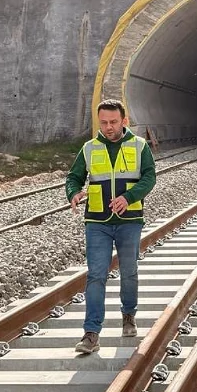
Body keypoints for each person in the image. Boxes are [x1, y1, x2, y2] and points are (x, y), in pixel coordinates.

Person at [64, 99, 156, 354]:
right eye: (103, 122)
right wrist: (73, 192)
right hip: (97, 221)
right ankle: (91, 333)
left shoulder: (139, 146)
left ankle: (128, 314)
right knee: (95, 274)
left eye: (113, 122)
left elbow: (150, 177)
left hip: (129, 221)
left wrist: (129, 197)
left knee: (129, 272)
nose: (108, 127)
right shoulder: (89, 148)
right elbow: (74, 177)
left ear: (124, 121)